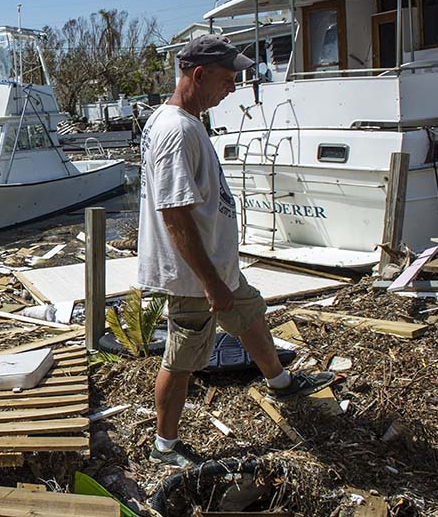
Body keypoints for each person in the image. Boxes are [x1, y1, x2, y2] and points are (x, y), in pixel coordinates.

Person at [138, 34, 335, 467]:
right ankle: (165, 446)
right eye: (227, 79)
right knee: (183, 356)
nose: (232, 88)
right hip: (194, 275)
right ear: (199, 74)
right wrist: (210, 283)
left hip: (215, 266)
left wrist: (220, 275)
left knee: (248, 317)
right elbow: (173, 213)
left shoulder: (183, 119)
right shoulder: (176, 130)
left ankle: (281, 384)